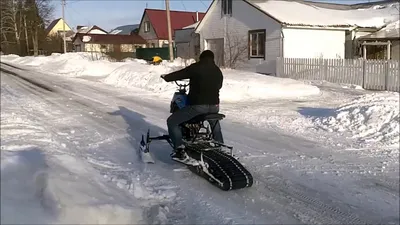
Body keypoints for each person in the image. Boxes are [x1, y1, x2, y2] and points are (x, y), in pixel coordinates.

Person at [160, 50, 224, 161]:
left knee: (172, 121)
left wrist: (167, 77)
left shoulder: (197, 67)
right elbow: (219, 86)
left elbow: (181, 74)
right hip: (215, 105)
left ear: (201, 58)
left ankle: (179, 150)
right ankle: (220, 146)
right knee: (214, 122)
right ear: (212, 58)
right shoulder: (217, 70)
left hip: (199, 106)